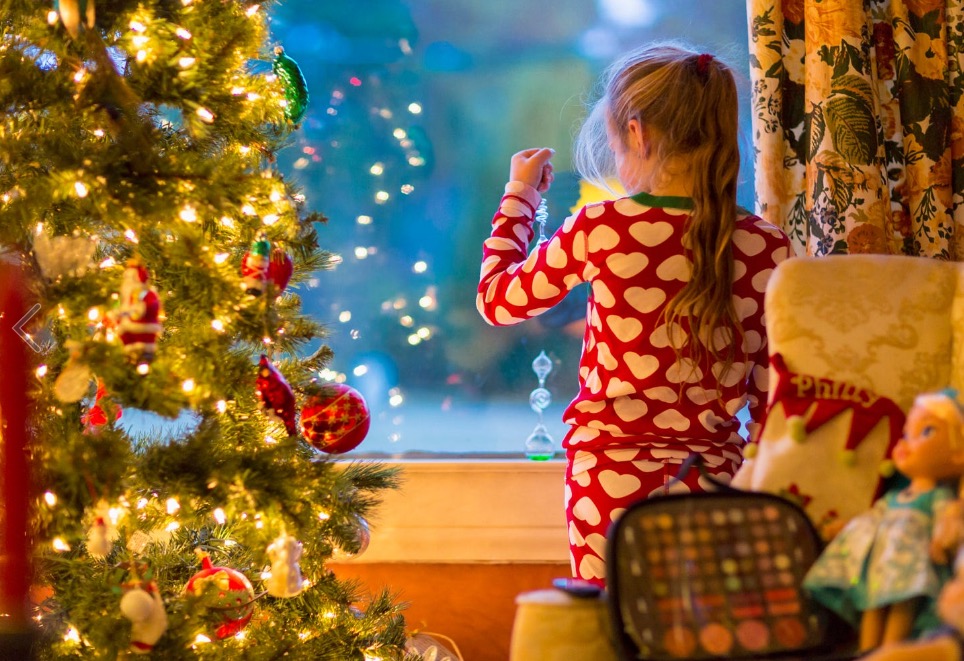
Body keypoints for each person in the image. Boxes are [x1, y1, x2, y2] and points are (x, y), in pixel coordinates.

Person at [476, 42, 794, 587]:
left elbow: (498, 301)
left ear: (637, 133)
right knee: (702, 624)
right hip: (717, 481)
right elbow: (772, 396)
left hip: (607, 479)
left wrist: (520, 197)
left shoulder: (601, 229)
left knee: (615, 621)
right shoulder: (768, 246)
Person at [804, 389, 964, 652]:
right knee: (872, 604)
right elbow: (872, 518)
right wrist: (845, 526)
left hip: (912, 568)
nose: (906, 443)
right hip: (880, 568)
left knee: (903, 606)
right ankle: (867, 651)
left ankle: (892, 651)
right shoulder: (894, 497)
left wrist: (941, 540)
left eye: (925, 432)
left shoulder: (938, 496)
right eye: (906, 434)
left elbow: (947, 520)